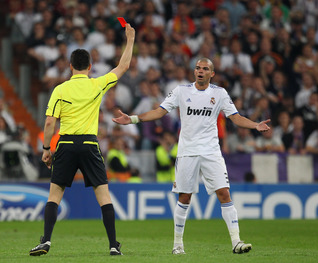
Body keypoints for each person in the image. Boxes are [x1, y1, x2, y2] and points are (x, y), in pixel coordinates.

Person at [112, 58, 270, 255]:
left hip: (212, 151)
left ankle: (236, 242)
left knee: (224, 193)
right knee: (185, 197)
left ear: (212, 74)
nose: (200, 71)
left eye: (205, 69)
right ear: (194, 71)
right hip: (187, 152)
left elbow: (235, 117)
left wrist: (255, 125)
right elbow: (159, 112)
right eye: (197, 68)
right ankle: (178, 244)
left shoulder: (219, 93)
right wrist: (133, 119)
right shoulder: (181, 91)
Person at [29, 23, 135, 256]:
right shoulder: (97, 84)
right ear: (90, 66)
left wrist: (47, 148)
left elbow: (49, 123)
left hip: (65, 144)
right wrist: (130, 38)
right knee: (103, 195)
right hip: (89, 143)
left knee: (55, 194)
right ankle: (112, 245)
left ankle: (46, 240)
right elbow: (124, 65)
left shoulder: (60, 89)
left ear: (70, 67)